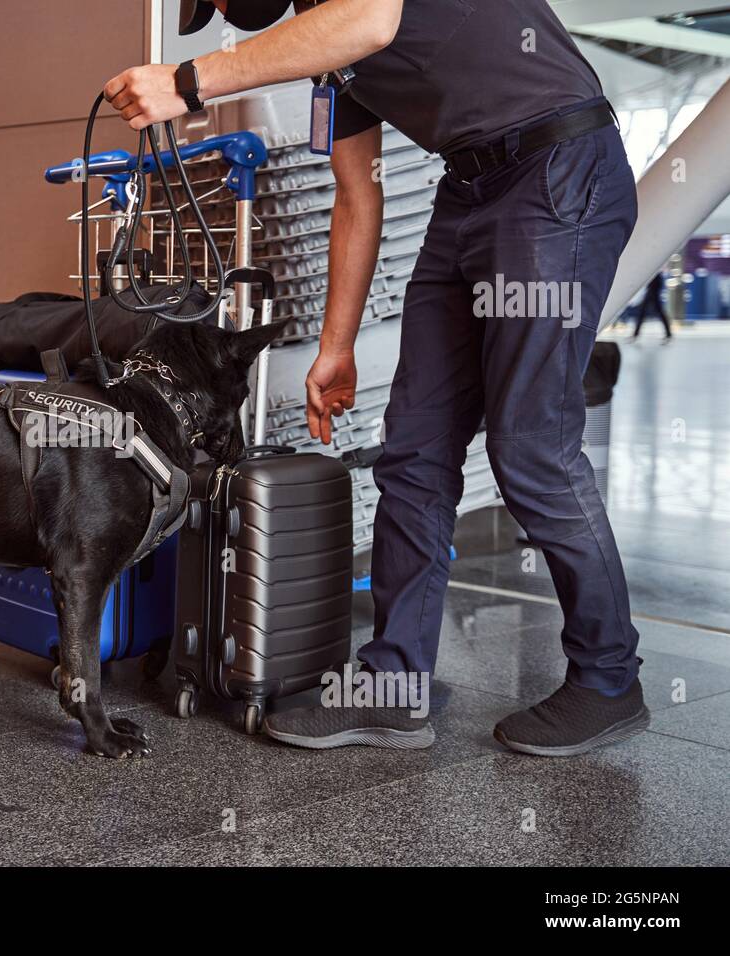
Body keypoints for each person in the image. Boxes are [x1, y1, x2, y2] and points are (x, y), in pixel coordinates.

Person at [106, 0, 646, 755]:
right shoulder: (330, 51)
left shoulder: (350, 19)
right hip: (471, 190)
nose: (227, 10)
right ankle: (394, 683)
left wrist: (189, 82)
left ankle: (609, 678)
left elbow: (372, 17)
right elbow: (357, 195)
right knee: (413, 451)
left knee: (531, 449)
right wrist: (335, 347)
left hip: (556, 170)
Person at [632, 272, 673, 343]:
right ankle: (635, 334)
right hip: (652, 287)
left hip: (653, 288)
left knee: (645, 312)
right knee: (644, 312)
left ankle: (635, 335)